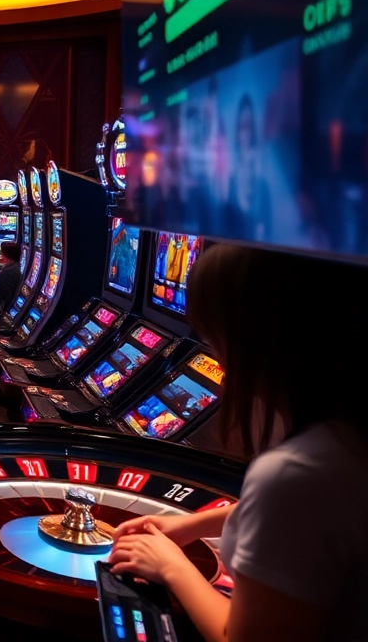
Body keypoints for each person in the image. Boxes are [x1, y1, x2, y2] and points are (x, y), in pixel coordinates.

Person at [107, 244, 368, 642]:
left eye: (219, 343)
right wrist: (192, 524)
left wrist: (171, 565)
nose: (221, 367)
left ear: (267, 344)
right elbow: (318, 517)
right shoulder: (346, 439)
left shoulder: (296, 472)